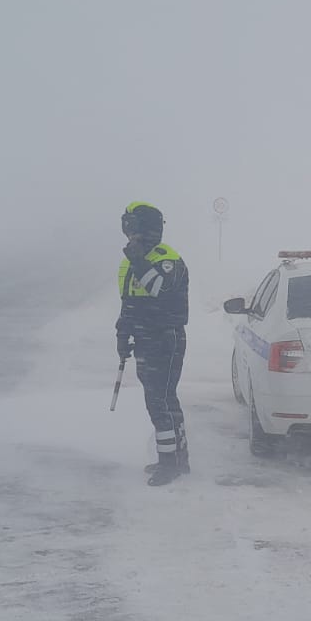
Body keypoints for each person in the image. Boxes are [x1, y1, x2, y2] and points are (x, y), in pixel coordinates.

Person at [116, 202, 190, 486]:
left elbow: (160, 293)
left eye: (133, 224)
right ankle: (176, 458)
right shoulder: (129, 261)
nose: (128, 231)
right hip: (145, 339)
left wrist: (139, 261)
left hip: (165, 337)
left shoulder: (167, 259)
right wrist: (122, 335)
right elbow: (128, 304)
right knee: (163, 399)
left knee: (159, 400)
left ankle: (170, 463)